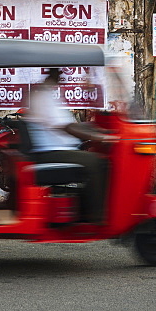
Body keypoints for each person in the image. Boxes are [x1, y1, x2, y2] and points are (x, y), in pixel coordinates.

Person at [25, 68, 115, 224]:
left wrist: (97, 129)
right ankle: (95, 215)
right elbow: (66, 127)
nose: (61, 75)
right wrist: (99, 137)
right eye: (58, 71)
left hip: (58, 149)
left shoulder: (47, 94)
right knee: (99, 163)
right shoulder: (45, 97)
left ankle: (84, 208)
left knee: (94, 159)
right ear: (51, 72)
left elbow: (70, 125)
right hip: (51, 153)